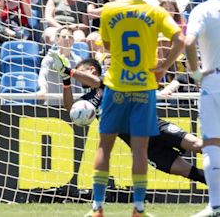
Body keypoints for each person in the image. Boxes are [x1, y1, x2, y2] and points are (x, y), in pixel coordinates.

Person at [85, 0, 186, 215]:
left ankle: (97, 208)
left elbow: (108, 46)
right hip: (144, 88)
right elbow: (180, 38)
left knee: (104, 146)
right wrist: (164, 67)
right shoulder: (155, 10)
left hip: (116, 87)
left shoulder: (110, 9)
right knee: (140, 150)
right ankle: (138, 208)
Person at [55, 58, 206, 185]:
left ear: (91, 69)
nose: (77, 74)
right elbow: (70, 108)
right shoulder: (88, 101)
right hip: (142, 147)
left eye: (79, 70)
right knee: (188, 172)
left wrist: (69, 70)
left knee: (199, 145)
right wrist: (66, 80)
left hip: (154, 127)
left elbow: (95, 82)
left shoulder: (110, 79)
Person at [185, 0, 220, 216]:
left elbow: (188, 41)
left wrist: (196, 73)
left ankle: (215, 205)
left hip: (213, 82)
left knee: (212, 145)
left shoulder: (203, 9)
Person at [37, 27, 82, 105]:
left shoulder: (77, 60)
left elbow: (78, 85)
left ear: (73, 40)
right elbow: (42, 76)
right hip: (52, 105)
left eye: (70, 37)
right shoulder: (50, 57)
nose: (67, 39)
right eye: (64, 37)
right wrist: (43, 89)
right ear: (58, 40)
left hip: (70, 106)